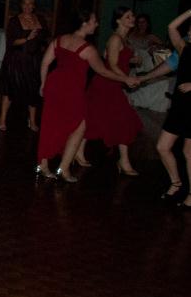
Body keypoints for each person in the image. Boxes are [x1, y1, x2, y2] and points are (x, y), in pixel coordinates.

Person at [36, 10, 139, 183]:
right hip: (71, 90)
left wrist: (43, 83)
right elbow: (103, 71)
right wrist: (126, 79)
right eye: (94, 21)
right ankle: (63, 168)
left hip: (54, 85)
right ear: (84, 23)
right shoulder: (87, 49)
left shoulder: (59, 40)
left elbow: (45, 62)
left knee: (50, 125)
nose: (96, 24)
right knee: (79, 126)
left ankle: (44, 165)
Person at [84, 8, 144, 176]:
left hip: (113, 84)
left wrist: (133, 60)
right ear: (118, 20)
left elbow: (119, 59)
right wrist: (126, 79)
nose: (132, 19)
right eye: (128, 16)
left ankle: (123, 161)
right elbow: (112, 64)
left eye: (132, 15)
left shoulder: (125, 39)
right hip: (105, 84)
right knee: (98, 119)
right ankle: (122, 161)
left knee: (106, 119)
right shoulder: (116, 38)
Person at [155, 7, 191, 206]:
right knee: (162, 147)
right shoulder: (184, 48)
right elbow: (171, 27)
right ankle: (176, 183)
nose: (190, 31)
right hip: (180, 105)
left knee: (189, 152)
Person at [0, 0, 47, 132]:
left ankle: (32, 120)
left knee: (33, 90)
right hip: (16, 60)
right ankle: (2, 119)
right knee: (9, 90)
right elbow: (11, 42)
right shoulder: (14, 21)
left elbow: (44, 40)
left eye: (30, 3)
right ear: (21, 5)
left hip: (34, 60)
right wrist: (27, 38)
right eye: (25, 3)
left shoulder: (40, 19)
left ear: (34, 5)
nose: (28, 6)